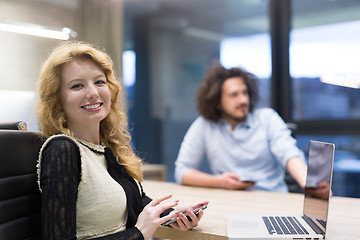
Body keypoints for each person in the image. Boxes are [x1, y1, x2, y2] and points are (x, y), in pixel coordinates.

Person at [36, 41, 208, 240]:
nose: (93, 93)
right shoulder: (62, 150)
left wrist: (172, 215)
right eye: (77, 86)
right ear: (57, 101)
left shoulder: (106, 147)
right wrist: (139, 233)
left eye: (99, 82)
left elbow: (134, 200)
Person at [174, 64, 308, 193]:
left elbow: (289, 154)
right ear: (217, 102)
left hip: (272, 198)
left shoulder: (267, 118)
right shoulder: (204, 125)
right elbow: (182, 171)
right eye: (234, 95)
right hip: (230, 200)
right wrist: (220, 181)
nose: (243, 100)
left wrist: (309, 185)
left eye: (245, 93)